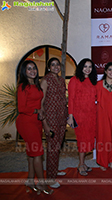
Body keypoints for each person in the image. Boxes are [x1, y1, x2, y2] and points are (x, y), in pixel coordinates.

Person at [16, 60, 53, 195]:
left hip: (36, 122)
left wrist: (41, 114)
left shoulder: (36, 85)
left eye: (34, 68)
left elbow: (39, 103)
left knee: (32, 153)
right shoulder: (22, 87)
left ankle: (31, 180)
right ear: (24, 72)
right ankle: (42, 184)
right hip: (26, 122)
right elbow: (22, 108)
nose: (32, 71)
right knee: (38, 152)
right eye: (29, 69)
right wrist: (37, 111)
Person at [41, 57, 68, 188]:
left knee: (57, 147)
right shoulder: (45, 81)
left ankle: (55, 170)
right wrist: (45, 123)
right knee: (52, 148)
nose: (56, 67)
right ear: (48, 67)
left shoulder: (62, 80)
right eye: (53, 65)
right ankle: (50, 179)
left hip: (61, 118)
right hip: (51, 118)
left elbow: (63, 98)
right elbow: (41, 102)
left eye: (58, 64)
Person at [67, 58, 97, 176]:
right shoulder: (74, 80)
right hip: (79, 116)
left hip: (91, 115)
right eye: (85, 66)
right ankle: (80, 164)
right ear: (80, 67)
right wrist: (70, 116)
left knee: (88, 139)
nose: (87, 69)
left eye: (90, 67)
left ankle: (83, 163)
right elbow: (71, 99)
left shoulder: (92, 81)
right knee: (82, 140)